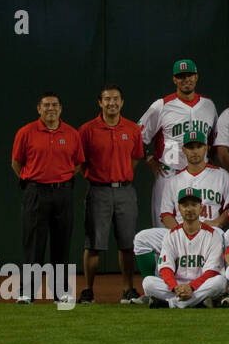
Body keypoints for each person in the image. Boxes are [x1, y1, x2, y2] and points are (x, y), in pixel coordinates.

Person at [131, 129, 229, 297]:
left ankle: (177, 294)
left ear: (206, 148)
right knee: (142, 238)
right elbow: (166, 214)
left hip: (209, 231)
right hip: (179, 231)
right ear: (183, 150)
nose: (194, 151)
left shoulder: (222, 176)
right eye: (190, 147)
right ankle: (155, 294)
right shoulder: (174, 180)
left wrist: (219, 222)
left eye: (198, 146)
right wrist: (178, 233)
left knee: (223, 235)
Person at [11, 91, 84, 302]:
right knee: (34, 244)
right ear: (39, 109)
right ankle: (27, 292)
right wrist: (32, 179)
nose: (50, 109)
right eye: (46, 105)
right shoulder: (26, 132)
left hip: (63, 193)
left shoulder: (71, 133)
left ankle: (60, 292)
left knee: (61, 244)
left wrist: (61, 178)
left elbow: (78, 163)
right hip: (36, 192)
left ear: (60, 109)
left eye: (54, 105)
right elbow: (16, 163)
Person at [77, 85, 143, 303]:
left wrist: (121, 174)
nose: (112, 103)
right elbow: (80, 160)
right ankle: (88, 290)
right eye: (107, 99)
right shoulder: (87, 130)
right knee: (94, 244)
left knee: (127, 243)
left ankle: (127, 290)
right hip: (99, 190)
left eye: (116, 99)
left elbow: (135, 158)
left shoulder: (133, 129)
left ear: (122, 102)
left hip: (125, 190)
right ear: (100, 103)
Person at [138, 58, 218, 229]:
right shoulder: (161, 106)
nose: (185, 79)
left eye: (189, 75)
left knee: (201, 231)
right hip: (169, 173)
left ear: (196, 77)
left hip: (201, 176)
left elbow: (213, 142)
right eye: (181, 76)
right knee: (163, 231)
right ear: (174, 79)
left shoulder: (209, 105)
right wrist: (148, 158)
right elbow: (136, 136)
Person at [142, 189, 227, 309]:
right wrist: (174, 287)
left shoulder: (213, 235)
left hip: (201, 285)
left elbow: (212, 271)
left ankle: (170, 304)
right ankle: (198, 302)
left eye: (194, 205)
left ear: (201, 208)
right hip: (177, 286)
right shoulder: (171, 234)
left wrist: (191, 287)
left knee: (220, 282)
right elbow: (166, 268)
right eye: (185, 205)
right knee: (148, 282)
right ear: (179, 209)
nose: (189, 209)